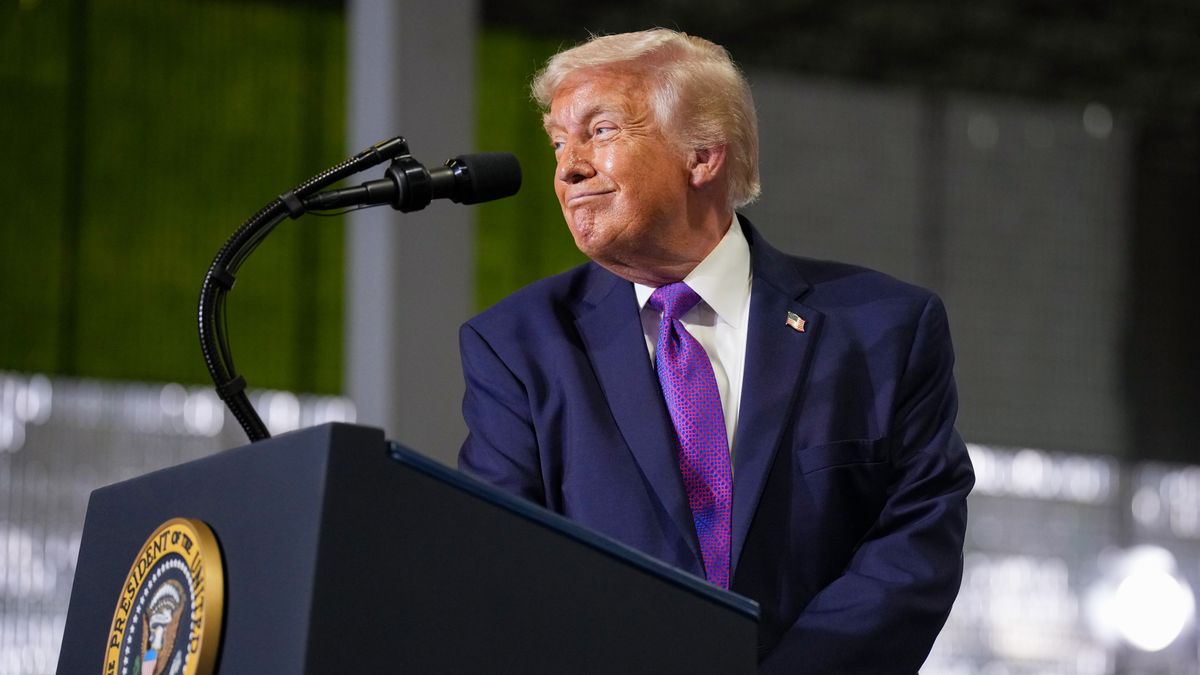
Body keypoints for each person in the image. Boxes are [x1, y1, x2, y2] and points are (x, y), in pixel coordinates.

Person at [458, 28, 974, 673]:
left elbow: (913, 545)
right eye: (559, 142)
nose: (568, 167)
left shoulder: (883, 329)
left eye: (602, 131)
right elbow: (500, 563)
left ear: (702, 155)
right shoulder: (517, 345)